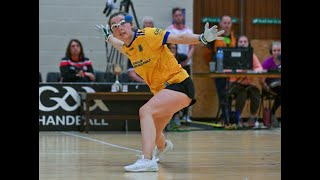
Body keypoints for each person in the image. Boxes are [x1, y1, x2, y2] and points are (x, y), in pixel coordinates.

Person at [95, 11, 224, 172]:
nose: (119, 28)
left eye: (122, 23)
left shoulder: (148, 34)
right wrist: (108, 37)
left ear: (131, 24)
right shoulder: (128, 48)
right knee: (154, 135)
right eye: (114, 27)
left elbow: (179, 38)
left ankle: (147, 160)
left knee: (145, 111)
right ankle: (163, 147)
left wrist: (202, 38)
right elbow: (117, 44)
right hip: (164, 93)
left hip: (179, 85)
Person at [204, 15, 238, 125]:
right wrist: (213, 65)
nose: (227, 25)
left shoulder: (235, 37)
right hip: (219, 71)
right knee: (222, 94)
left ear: (231, 24)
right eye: (225, 23)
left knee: (230, 94)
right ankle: (225, 118)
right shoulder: (214, 37)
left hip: (232, 71)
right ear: (220, 24)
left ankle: (229, 117)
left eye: (229, 23)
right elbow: (208, 54)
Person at [227, 35, 263, 128]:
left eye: (245, 42)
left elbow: (259, 68)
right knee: (242, 93)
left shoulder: (251, 55)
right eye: (241, 42)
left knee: (255, 92)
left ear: (248, 44)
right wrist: (238, 71)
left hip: (248, 84)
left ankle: (252, 117)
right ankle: (238, 118)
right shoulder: (232, 53)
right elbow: (226, 69)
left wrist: (252, 71)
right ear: (237, 44)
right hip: (234, 84)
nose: (243, 43)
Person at [261, 41, 281, 127]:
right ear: (271, 52)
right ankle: (272, 114)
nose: (277, 52)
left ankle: (272, 114)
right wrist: (265, 87)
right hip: (269, 87)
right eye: (275, 50)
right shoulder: (267, 63)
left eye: (279, 50)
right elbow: (261, 80)